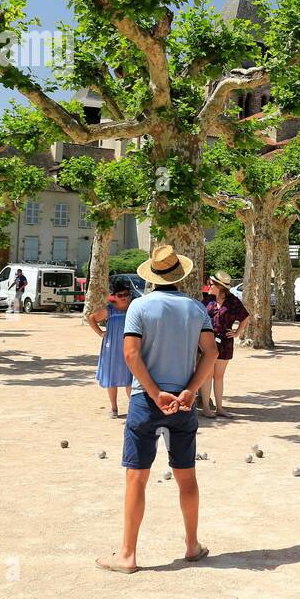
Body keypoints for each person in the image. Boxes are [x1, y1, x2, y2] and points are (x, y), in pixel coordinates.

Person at [96, 244, 217, 574]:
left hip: (144, 402)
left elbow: (131, 355)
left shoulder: (140, 307)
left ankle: (127, 555)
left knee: (136, 477)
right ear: (180, 275)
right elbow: (211, 352)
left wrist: (154, 392)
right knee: (186, 476)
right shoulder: (196, 309)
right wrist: (191, 391)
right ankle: (192, 545)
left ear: (152, 275)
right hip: (183, 402)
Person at [200, 270, 248, 418]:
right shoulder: (206, 300)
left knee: (219, 376)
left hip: (225, 342)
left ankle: (220, 408)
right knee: (207, 375)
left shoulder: (233, 301)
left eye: (212, 283)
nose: (209, 285)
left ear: (220, 286)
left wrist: (237, 332)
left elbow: (245, 317)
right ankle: (206, 408)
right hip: (208, 341)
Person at [88, 277, 135, 418]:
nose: (124, 298)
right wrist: (100, 333)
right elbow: (91, 318)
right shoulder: (110, 310)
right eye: (120, 295)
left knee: (130, 378)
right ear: (114, 296)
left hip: (130, 345)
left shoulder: (134, 307)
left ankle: (133, 408)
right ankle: (114, 408)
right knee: (111, 378)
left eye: (127, 294)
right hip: (112, 347)